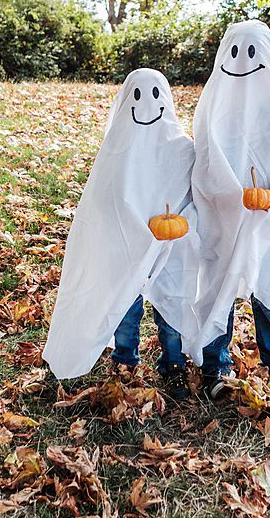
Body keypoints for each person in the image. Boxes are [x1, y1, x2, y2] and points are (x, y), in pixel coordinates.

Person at [43, 68, 199, 401]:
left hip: (171, 244)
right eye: (138, 96)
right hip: (128, 243)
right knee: (126, 302)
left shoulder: (182, 147)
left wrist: (176, 220)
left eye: (155, 95)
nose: (146, 104)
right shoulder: (117, 146)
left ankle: (173, 363)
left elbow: (192, 190)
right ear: (127, 100)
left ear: (166, 99)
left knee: (171, 304)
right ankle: (124, 359)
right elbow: (104, 197)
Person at [190, 20, 270, 399]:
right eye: (235, 51)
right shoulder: (214, 103)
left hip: (266, 218)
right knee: (219, 286)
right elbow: (206, 155)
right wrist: (231, 194)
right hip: (224, 216)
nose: (243, 60)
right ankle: (215, 366)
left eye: (252, 52)